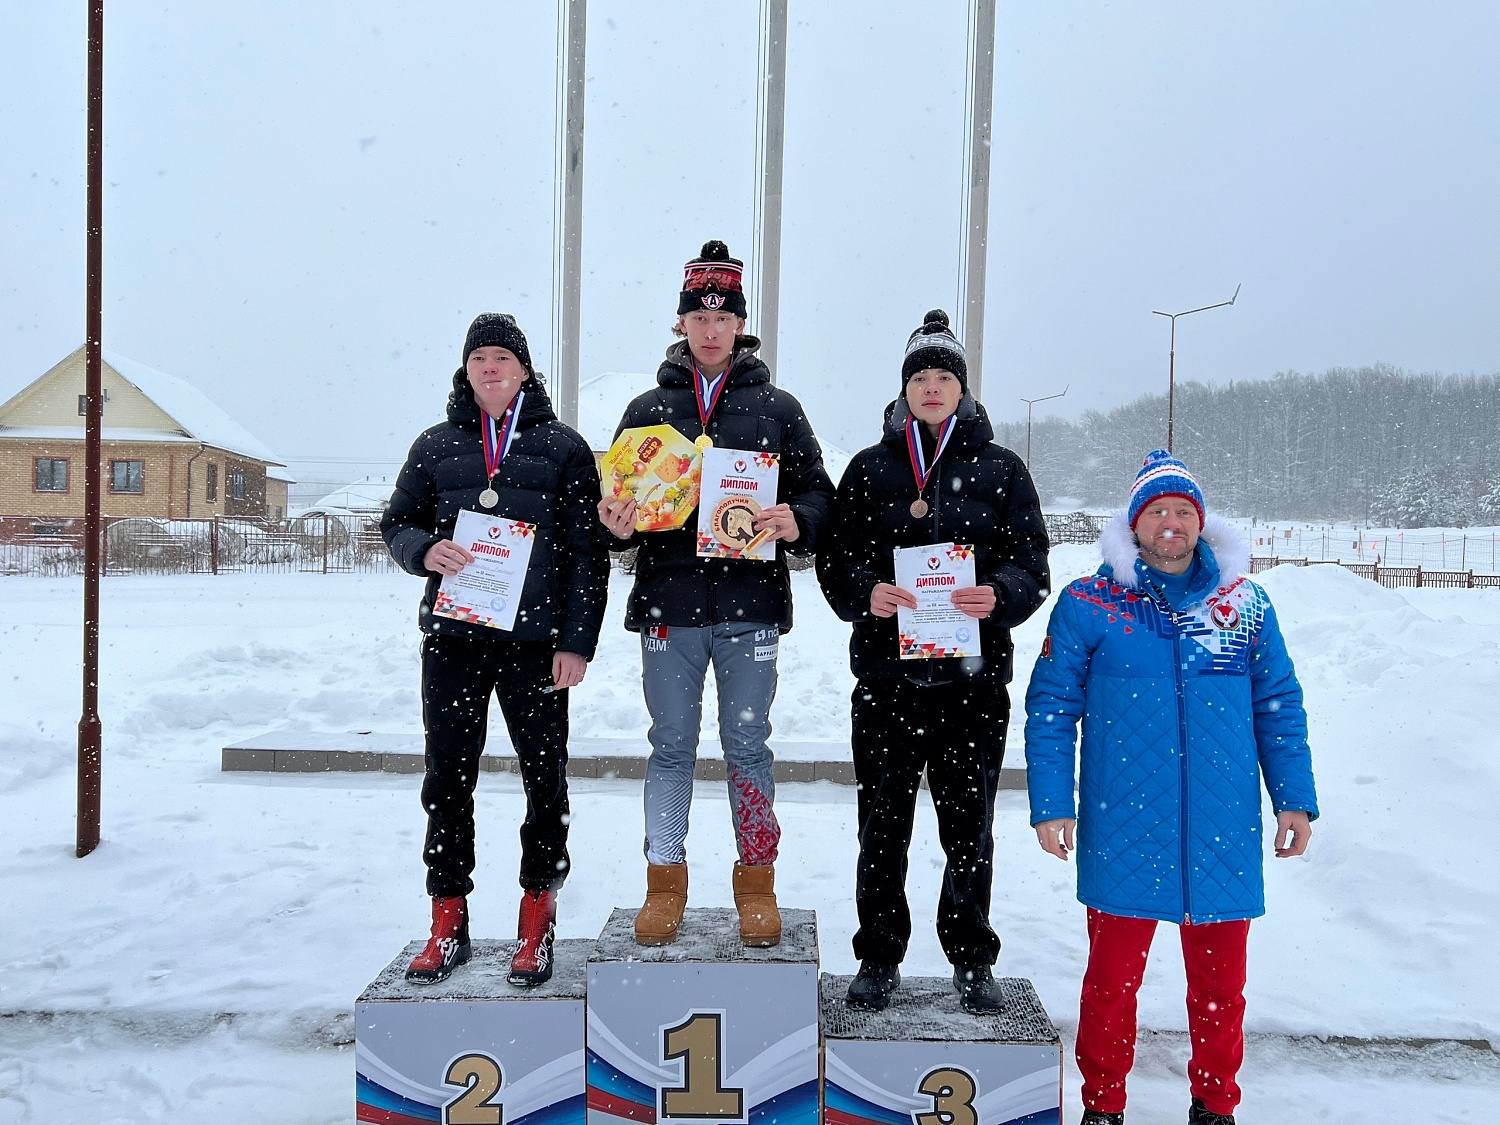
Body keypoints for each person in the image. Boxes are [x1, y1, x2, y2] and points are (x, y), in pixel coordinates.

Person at [1024, 450, 1318, 1125]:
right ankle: (1104, 1105)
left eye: (1183, 511)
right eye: (1158, 510)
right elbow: (1050, 707)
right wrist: (1050, 804)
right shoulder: (1091, 603)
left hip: (1222, 830)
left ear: (1200, 522)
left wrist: (1294, 798)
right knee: (1110, 983)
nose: (1171, 523)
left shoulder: (1241, 604)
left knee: (1220, 987)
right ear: (1135, 524)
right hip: (1124, 825)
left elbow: (1278, 702)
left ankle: (1214, 1104)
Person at [598, 240, 834, 948]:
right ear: (680, 325)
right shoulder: (647, 409)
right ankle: (663, 878)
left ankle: (756, 880)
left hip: (750, 606)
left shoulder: (778, 408)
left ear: (739, 325)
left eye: (722, 316)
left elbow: (818, 492)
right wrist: (613, 527)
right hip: (670, 607)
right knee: (670, 744)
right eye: (697, 316)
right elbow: (613, 505)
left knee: (748, 743)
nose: (709, 328)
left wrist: (800, 519)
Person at [815, 309, 1051, 1014]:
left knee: (968, 827)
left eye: (943, 375)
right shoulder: (869, 468)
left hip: (971, 686)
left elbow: (1031, 562)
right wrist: (866, 591)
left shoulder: (1002, 468)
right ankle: (879, 955)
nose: (931, 385)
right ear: (904, 389)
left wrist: (999, 592)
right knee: (881, 826)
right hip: (887, 682)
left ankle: (972, 956)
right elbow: (836, 557)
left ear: (962, 389)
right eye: (920, 375)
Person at [382, 313, 609, 987]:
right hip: (454, 641)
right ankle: (446, 918)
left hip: (534, 648)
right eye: (479, 357)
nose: (490, 368)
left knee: (546, 779)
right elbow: (396, 521)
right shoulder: (434, 447)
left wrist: (575, 643)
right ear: (467, 368)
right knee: (447, 779)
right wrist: (423, 549)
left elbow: (585, 555)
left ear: (524, 371)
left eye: (501, 358)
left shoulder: (564, 448)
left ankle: (536, 920)